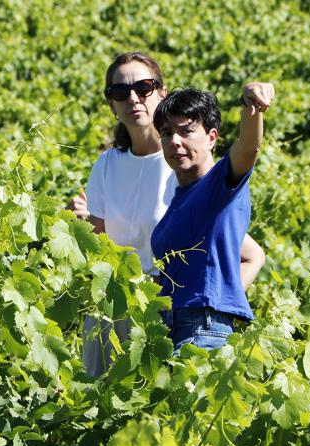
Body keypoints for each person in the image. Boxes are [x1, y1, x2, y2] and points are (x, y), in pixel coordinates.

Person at [70, 52, 266, 375]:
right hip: (134, 312)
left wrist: (211, 303)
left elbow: (246, 152)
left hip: (183, 322)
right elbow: (100, 247)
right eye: (120, 92)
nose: (133, 98)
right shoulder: (122, 171)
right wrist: (81, 226)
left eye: (144, 87)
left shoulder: (200, 177)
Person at [151, 85, 275, 354]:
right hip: (170, 328)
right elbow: (254, 255)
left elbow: (248, 148)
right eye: (167, 133)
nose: (174, 141)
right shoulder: (181, 199)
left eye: (185, 131)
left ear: (211, 137)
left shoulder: (218, 184)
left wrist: (250, 107)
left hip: (200, 330)